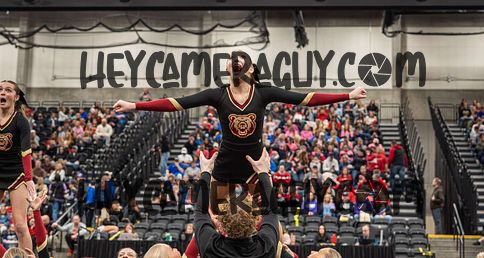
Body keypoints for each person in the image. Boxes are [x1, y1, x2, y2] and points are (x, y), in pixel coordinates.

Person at [114, 51, 367, 184]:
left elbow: (306, 98)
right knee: (210, 212)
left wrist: (348, 95)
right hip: (226, 160)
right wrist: (134, 105)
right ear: (227, 69)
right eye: (231, 61)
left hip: (254, 161)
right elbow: (176, 103)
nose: (234, 63)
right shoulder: (217, 94)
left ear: (252, 68)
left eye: (241, 60)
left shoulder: (264, 92)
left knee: (264, 215)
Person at [0, 80, 36, 252]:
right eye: (0, 89)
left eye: (8, 90)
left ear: (16, 97)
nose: (2, 93)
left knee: (20, 225)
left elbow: (26, 152)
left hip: (16, 174)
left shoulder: (21, 121)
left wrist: (28, 179)